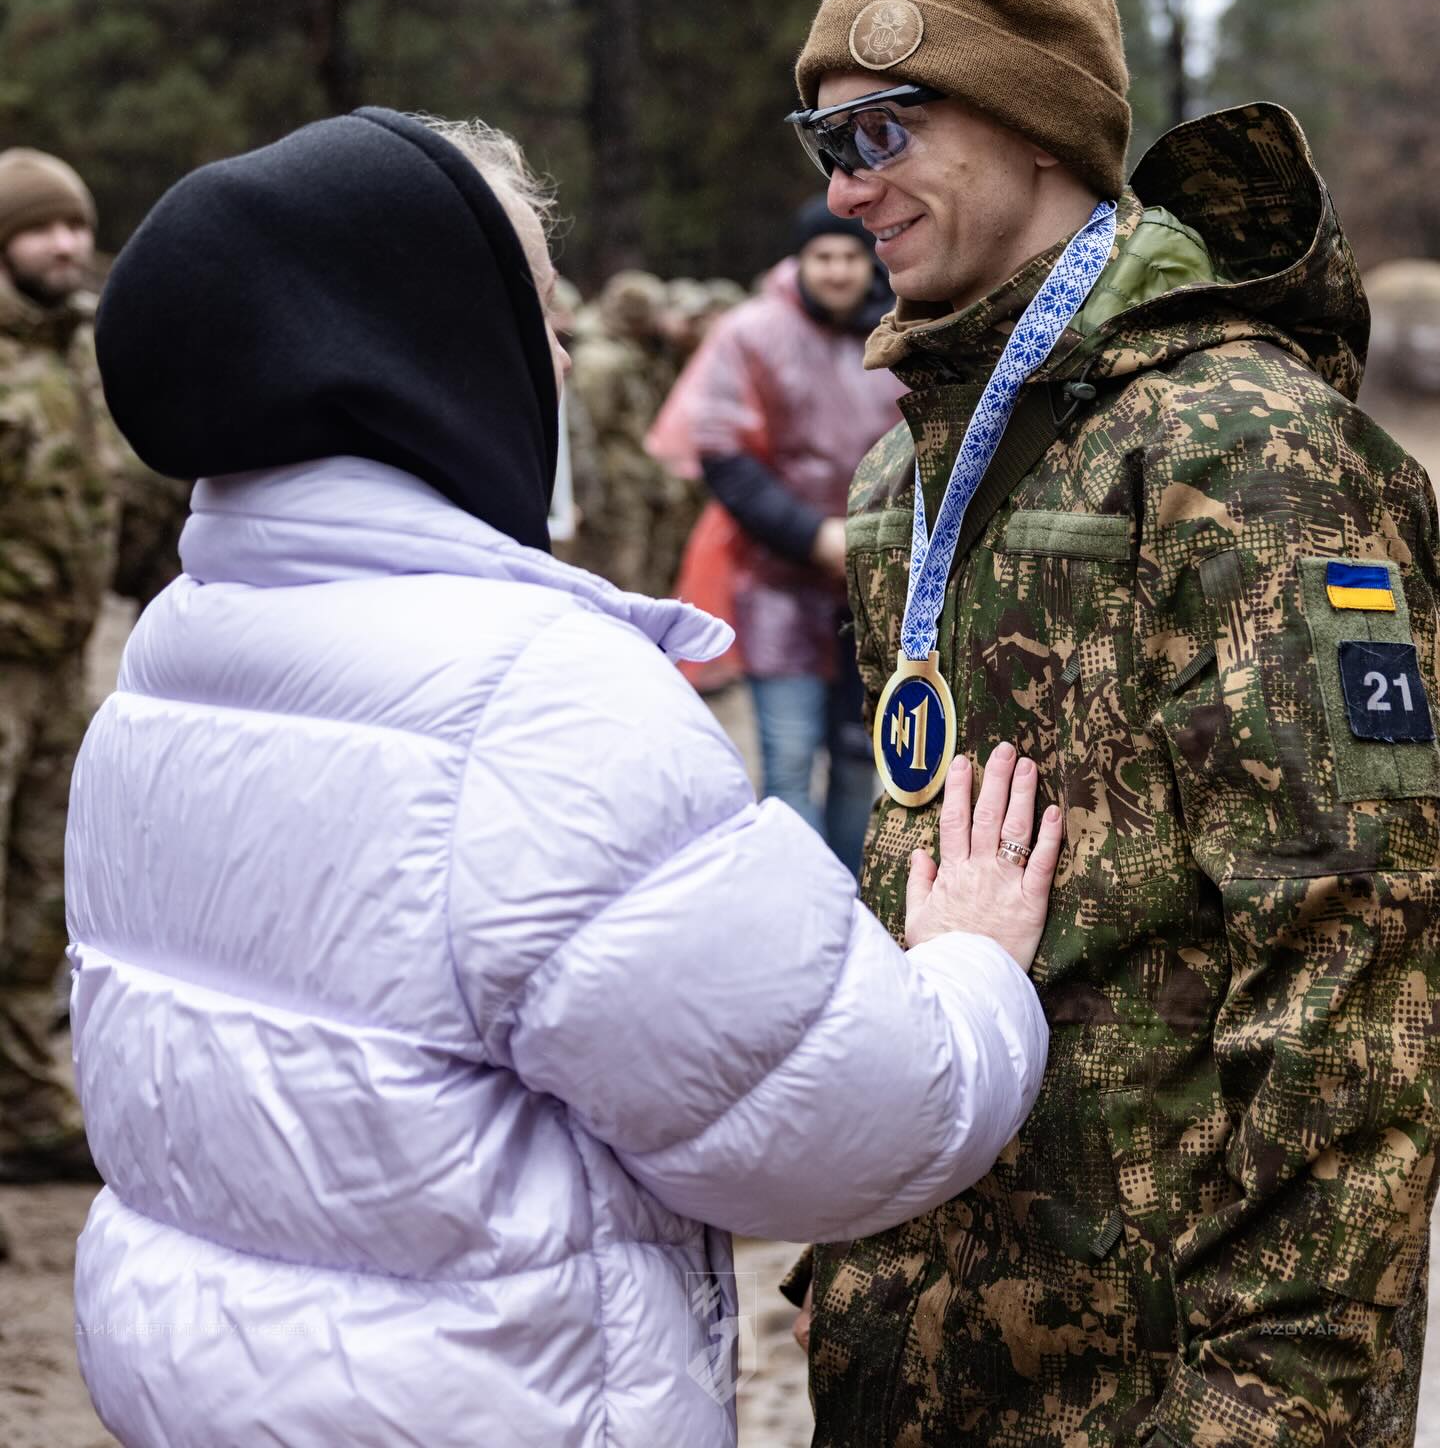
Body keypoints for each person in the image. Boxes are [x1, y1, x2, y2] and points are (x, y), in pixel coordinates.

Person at [67, 106, 1063, 1447]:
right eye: (535, 306)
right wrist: (973, 974)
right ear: (425, 334)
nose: (562, 346)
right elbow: (853, 1120)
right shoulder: (537, 706)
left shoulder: (172, 664)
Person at [781, 0, 1440, 1446]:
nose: (848, 193)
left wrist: (1270, 1400)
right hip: (925, 1353)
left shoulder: (1242, 444)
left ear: (1033, 125)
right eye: (824, 149)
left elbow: (1360, 961)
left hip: (1162, 1385)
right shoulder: (911, 477)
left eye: (882, 132)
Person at [684, 198, 901, 873]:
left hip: (878, 585)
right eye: (823, 257)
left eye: (850, 257)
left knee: (862, 760)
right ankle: (799, 899)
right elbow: (722, 456)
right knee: (787, 755)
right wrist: (811, 535)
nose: (837, 271)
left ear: (869, 262)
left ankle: (851, 904)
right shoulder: (751, 332)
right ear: (800, 261)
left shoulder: (900, 331)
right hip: (779, 579)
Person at [0, 148, 123, 1188]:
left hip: (63, 667)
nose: (67, 245)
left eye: (76, 226)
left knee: (41, 897)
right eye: (43, 228)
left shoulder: (82, 355)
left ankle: (22, 1105)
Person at [568, 268, 682, 594]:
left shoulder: (633, 352)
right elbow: (589, 429)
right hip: (614, 489)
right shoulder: (602, 361)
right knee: (619, 575)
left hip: (633, 482)